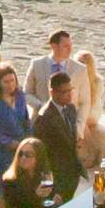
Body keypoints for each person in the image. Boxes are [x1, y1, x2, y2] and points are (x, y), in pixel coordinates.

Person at [32, 69, 86, 200]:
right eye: (64, 92)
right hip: (57, 178)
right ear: (52, 92)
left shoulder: (70, 109)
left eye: (70, 90)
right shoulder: (44, 118)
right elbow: (42, 156)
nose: (69, 95)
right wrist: (53, 187)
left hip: (72, 175)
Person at [0, 65, 32, 180]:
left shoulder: (20, 96)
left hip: (22, 151)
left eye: (12, 80)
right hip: (1, 154)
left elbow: (26, 121)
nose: (10, 84)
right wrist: (12, 143)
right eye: (6, 82)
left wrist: (29, 141)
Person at [1, 137, 51, 208]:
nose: (23, 157)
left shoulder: (43, 176)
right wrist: (35, 196)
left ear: (39, 157)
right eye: (20, 154)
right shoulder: (10, 181)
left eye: (28, 155)